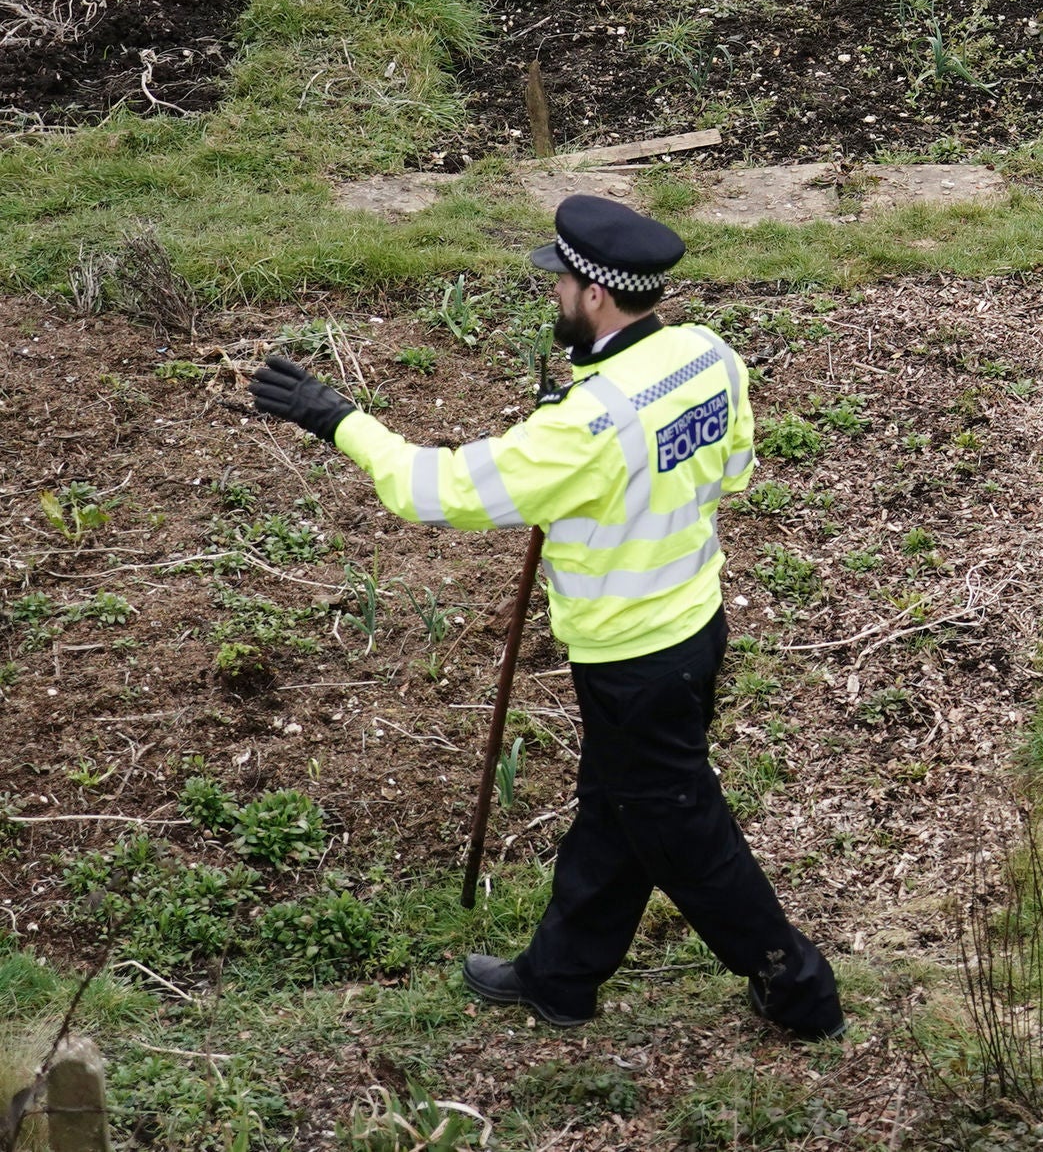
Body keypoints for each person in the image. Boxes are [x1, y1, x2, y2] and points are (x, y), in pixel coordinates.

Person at [250, 197, 842, 1040]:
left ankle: (799, 987)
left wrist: (337, 417)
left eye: (562, 279)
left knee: (685, 832)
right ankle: (560, 977)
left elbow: (437, 490)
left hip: (632, 660)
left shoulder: (586, 427)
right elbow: (733, 468)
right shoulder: (708, 355)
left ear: (596, 294)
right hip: (695, 627)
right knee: (618, 807)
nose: (555, 292)